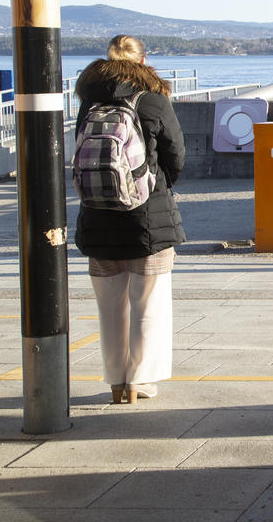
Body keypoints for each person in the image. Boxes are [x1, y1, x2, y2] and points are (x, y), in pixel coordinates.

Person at [74, 34, 186, 404]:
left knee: (110, 308)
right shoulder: (152, 98)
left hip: (98, 216)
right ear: (142, 61)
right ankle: (141, 381)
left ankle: (117, 382)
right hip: (146, 218)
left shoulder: (89, 98)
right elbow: (176, 154)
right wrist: (157, 183)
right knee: (147, 306)